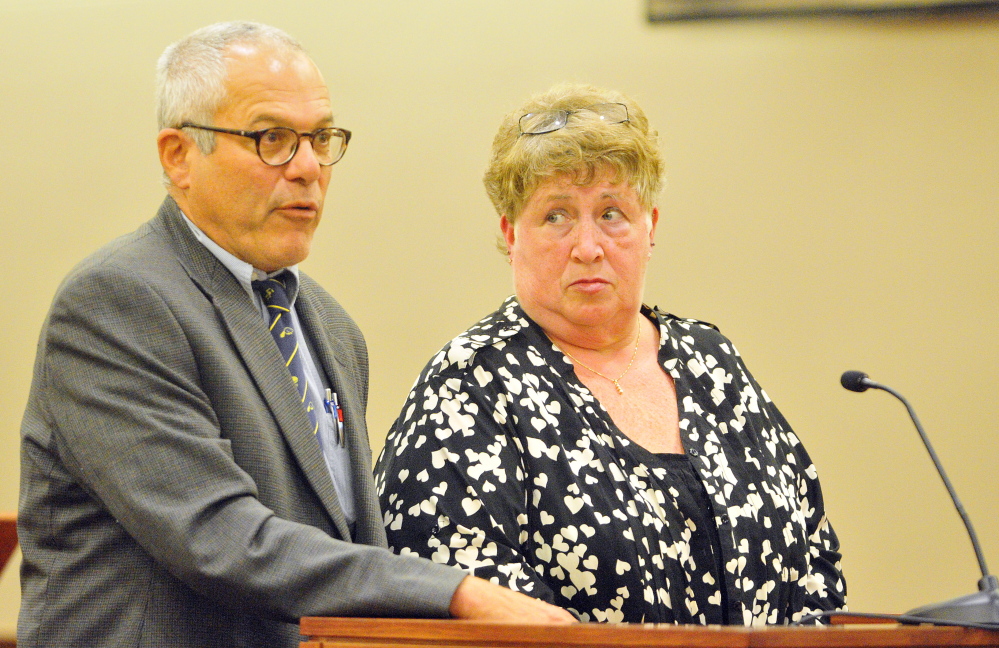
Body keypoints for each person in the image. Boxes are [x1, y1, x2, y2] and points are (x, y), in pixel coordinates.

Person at [17, 22, 573, 648]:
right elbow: (219, 538)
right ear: (179, 156)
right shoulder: (117, 304)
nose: (308, 168)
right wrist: (456, 592)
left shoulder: (332, 328)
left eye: (320, 138)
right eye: (273, 138)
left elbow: (345, 544)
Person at [375, 83, 847, 625]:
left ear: (651, 227)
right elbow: (461, 592)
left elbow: (814, 560)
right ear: (510, 234)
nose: (588, 246)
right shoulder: (470, 384)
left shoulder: (711, 360)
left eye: (612, 213)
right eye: (556, 216)